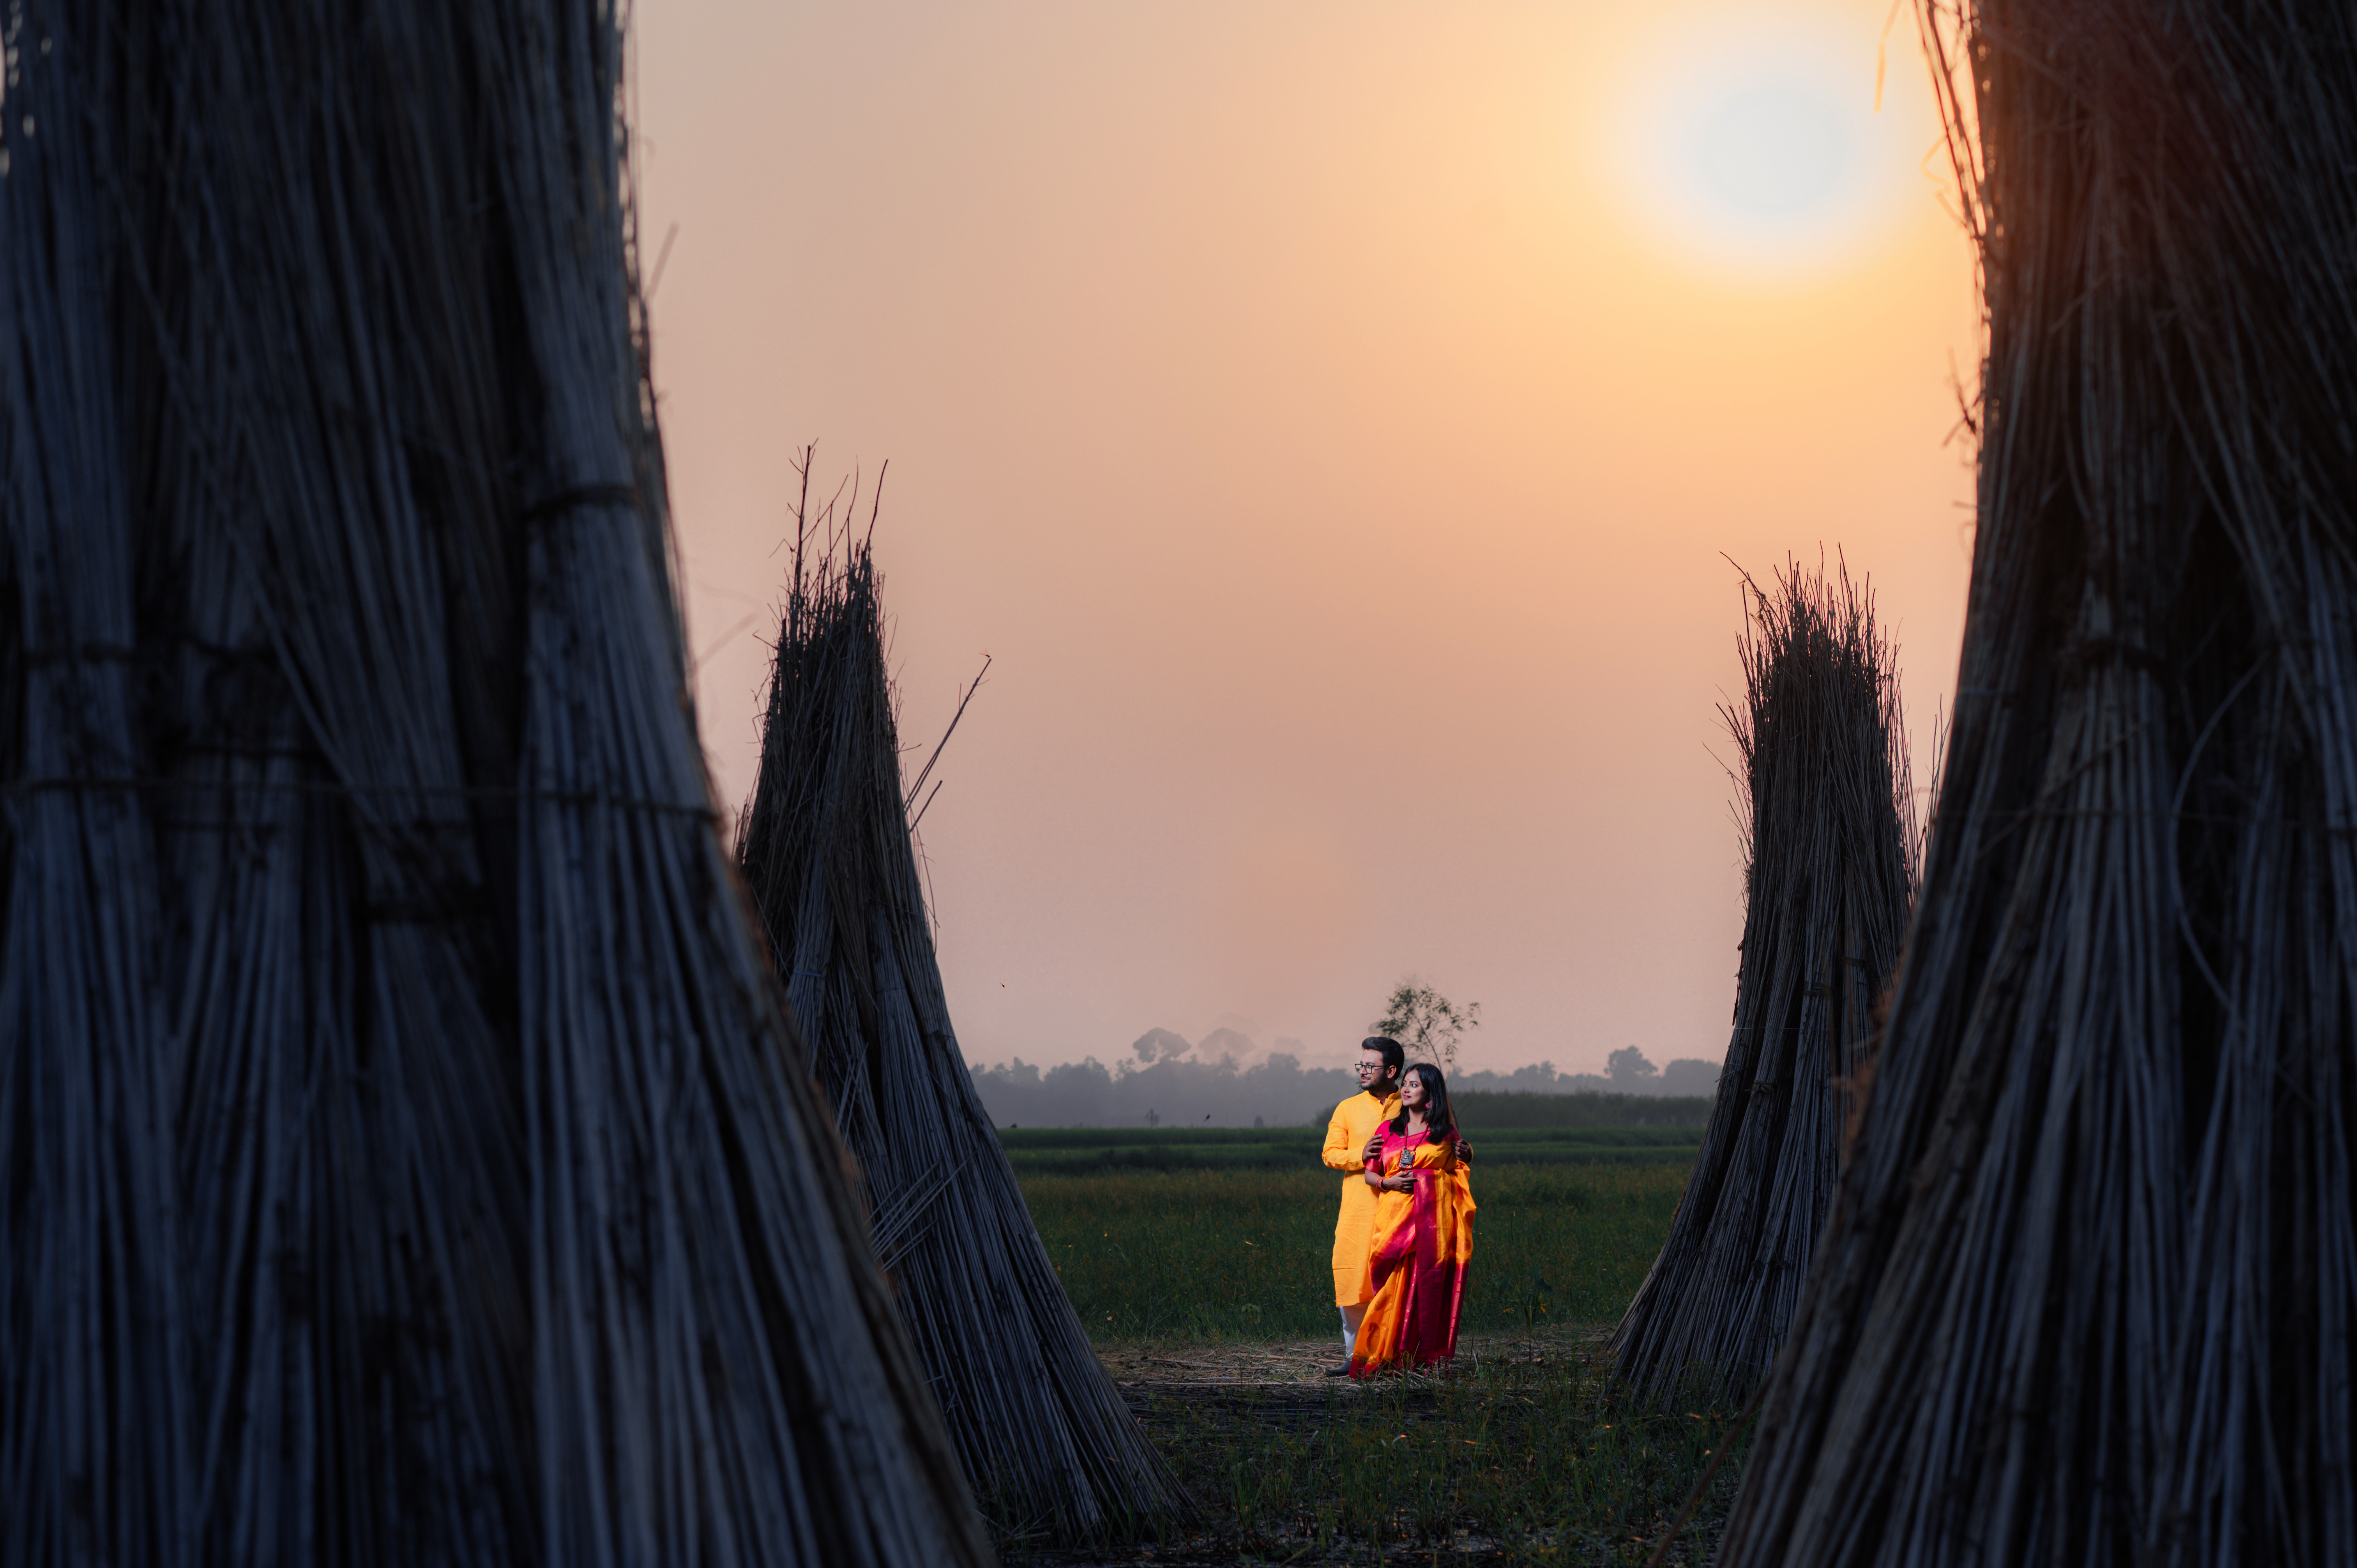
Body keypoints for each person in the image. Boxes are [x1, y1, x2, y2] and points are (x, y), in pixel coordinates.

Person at [1349, 1061, 1474, 1377]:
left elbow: (1457, 1169)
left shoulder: (1445, 1133)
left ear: (1430, 1094)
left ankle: (1419, 1359)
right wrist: (1388, 1183)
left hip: (1432, 1225)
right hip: (1393, 1221)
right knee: (1389, 1289)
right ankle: (1382, 1354)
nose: (1405, 1089)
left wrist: (1467, 1155)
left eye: (1414, 1085)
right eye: (1405, 1083)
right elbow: (1370, 1173)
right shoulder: (1388, 1130)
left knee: (1425, 1287)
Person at [1321, 1037, 1404, 1374]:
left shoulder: (1412, 1102)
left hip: (1400, 1210)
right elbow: (1330, 1154)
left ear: (1392, 1070)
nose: (1364, 1071)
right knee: (1354, 1280)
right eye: (1362, 1065)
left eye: (1372, 1066)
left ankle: (1395, 1356)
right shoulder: (1348, 1108)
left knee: (1397, 1282)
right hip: (1358, 1210)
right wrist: (1361, 1155)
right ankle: (1355, 1357)